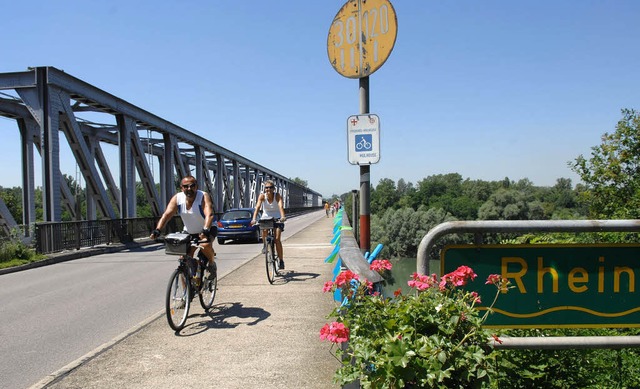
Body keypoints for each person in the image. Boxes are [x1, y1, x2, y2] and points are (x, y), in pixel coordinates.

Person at [150, 175, 216, 274]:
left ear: (196, 186)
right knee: (183, 260)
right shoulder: (178, 198)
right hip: (189, 231)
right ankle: (188, 288)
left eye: (192, 186)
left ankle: (211, 264)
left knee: (205, 244)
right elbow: (167, 215)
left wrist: (205, 230)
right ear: (181, 188)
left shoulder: (203, 196)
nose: (189, 189)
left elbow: (209, 214)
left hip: (207, 229)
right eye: (185, 186)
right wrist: (158, 230)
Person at [251, 180, 286, 269]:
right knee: (264, 229)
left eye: (270, 187)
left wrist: (282, 217)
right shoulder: (262, 196)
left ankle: (281, 260)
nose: (268, 189)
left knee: (277, 239)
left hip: (277, 217)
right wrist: (254, 219)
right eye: (266, 187)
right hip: (266, 217)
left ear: (273, 188)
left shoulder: (277, 196)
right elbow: (257, 207)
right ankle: (265, 245)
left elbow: (280, 206)